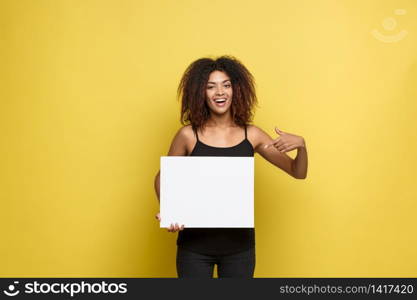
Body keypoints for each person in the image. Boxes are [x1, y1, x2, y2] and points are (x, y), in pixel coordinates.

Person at [154, 55, 308, 278]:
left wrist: (302, 146)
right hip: (194, 248)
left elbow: (298, 172)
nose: (220, 92)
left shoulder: (252, 134)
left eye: (226, 85)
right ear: (200, 93)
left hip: (240, 250)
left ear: (236, 90)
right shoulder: (188, 135)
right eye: (211, 87)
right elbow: (163, 178)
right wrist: (170, 211)